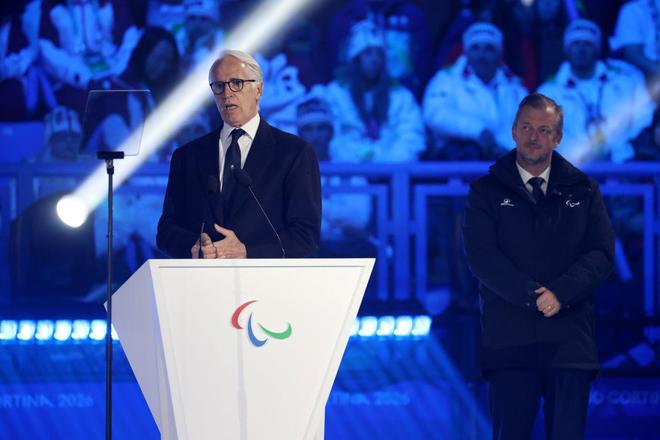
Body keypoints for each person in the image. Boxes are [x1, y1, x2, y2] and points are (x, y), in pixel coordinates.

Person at [462, 93, 614, 440]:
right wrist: (532, 296)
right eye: (527, 127)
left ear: (557, 138)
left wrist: (560, 293)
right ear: (513, 131)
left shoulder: (584, 190)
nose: (534, 137)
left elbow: (601, 253)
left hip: (569, 344)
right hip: (509, 344)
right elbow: (482, 257)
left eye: (544, 130)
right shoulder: (485, 191)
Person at [156, 50, 321, 259]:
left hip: (264, 277)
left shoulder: (294, 153)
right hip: (203, 276)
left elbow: (306, 235)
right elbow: (166, 232)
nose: (227, 93)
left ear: (258, 90)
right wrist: (195, 245)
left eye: (237, 83)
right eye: (219, 85)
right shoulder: (187, 156)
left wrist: (247, 251)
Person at [538, 19, 653, 164]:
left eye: (588, 44)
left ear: (597, 48)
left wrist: (621, 152)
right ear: (566, 49)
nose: (581, 49)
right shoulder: (547, 93)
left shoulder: (627, 79)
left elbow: (644, 118)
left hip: (626, 165)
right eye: (576, 43)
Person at [322, 19, 425, 163]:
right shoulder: (334, 93)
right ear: (356, 58)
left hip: (392, 169)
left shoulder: (401, 95)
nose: (375, 60)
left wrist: (384, 163)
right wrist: (362, 158)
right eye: (368, 53)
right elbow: (332, 139)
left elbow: (411, 137)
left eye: (379, 54)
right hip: (346, 169)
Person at [423, 22, 527, 160]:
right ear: (466, 52)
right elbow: (435, 114)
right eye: (475, 48)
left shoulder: (515, 89)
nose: (481, 55)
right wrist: (478, 131)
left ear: (499, 55)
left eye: (489, 49)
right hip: (459, 166)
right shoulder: (446, 80)